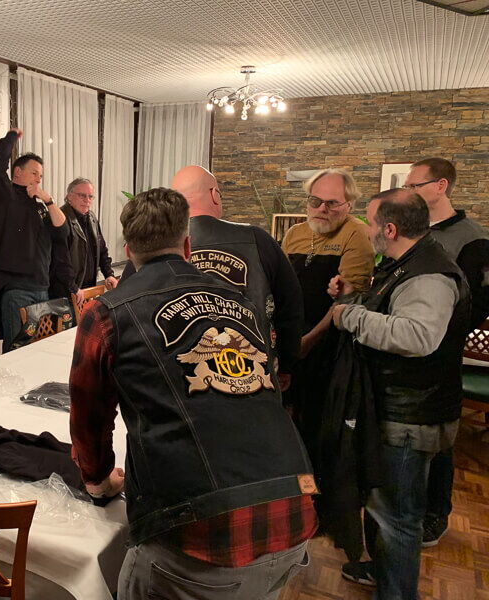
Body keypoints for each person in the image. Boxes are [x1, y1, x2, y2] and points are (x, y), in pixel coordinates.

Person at [70, 187, 317, 600]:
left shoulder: (107, 312)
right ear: (187, 246)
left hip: (202, 536)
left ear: (128, 251)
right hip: (294, 508)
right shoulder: (242, 303)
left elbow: (89, 416)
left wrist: (97, 481)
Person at [329, 188, 469, 600]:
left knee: (397, 518)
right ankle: (382, 572)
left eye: (370, 222)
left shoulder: (429, 275)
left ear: (389, 229)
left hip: (411, 416)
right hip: (395, 408)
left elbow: (417, 336)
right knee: (383, 506)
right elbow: (391, 311)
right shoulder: (405, 263)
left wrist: (349, 315)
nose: (366, 229)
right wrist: (351, 297)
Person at [403, 157, 489, 548]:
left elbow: (477, 303)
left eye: (415, 185)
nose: (409, 192)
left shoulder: (471, 238)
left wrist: (435, 331)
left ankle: (435, 514)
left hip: (440, 356)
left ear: (440, 186)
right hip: (404, 351)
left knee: (437, 440)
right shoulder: (411, 230)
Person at [171, 165, 303, 390]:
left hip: (181, 381)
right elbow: (290, 306)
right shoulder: (257, 239)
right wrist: (287, 364)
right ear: (214, 195)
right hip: (254, 381)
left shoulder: (157, 244)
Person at [280, 169, 374, 456]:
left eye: (332, 203)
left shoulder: (357, 234)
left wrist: (309, 341)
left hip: (329, 344)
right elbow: (279, 287)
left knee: (317, 424)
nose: (322, 209)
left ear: (349, 205)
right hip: (292, 338)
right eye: (315, 201)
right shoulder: (295, 233)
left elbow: (348, 301)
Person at [0, 129, 68, 352]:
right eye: (34, 173)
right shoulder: (6, 195)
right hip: (16, 288)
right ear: (17, 172)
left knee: (39, 350)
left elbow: (62, 231)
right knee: (18, 349)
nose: (38, 179)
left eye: (40, 175)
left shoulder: (39, 205)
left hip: (42, 286)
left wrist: (48, 200)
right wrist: (11, 138)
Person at [49, 178, 117, 301]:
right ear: (69, 196)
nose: (87, 200)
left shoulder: (91, 217)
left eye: (90, 196)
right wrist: (73, 288)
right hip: (65, 291)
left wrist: (109, 274)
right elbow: (60, 260)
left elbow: (102, 249)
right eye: (82, 196)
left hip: (86, 289)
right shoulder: (60, 218)